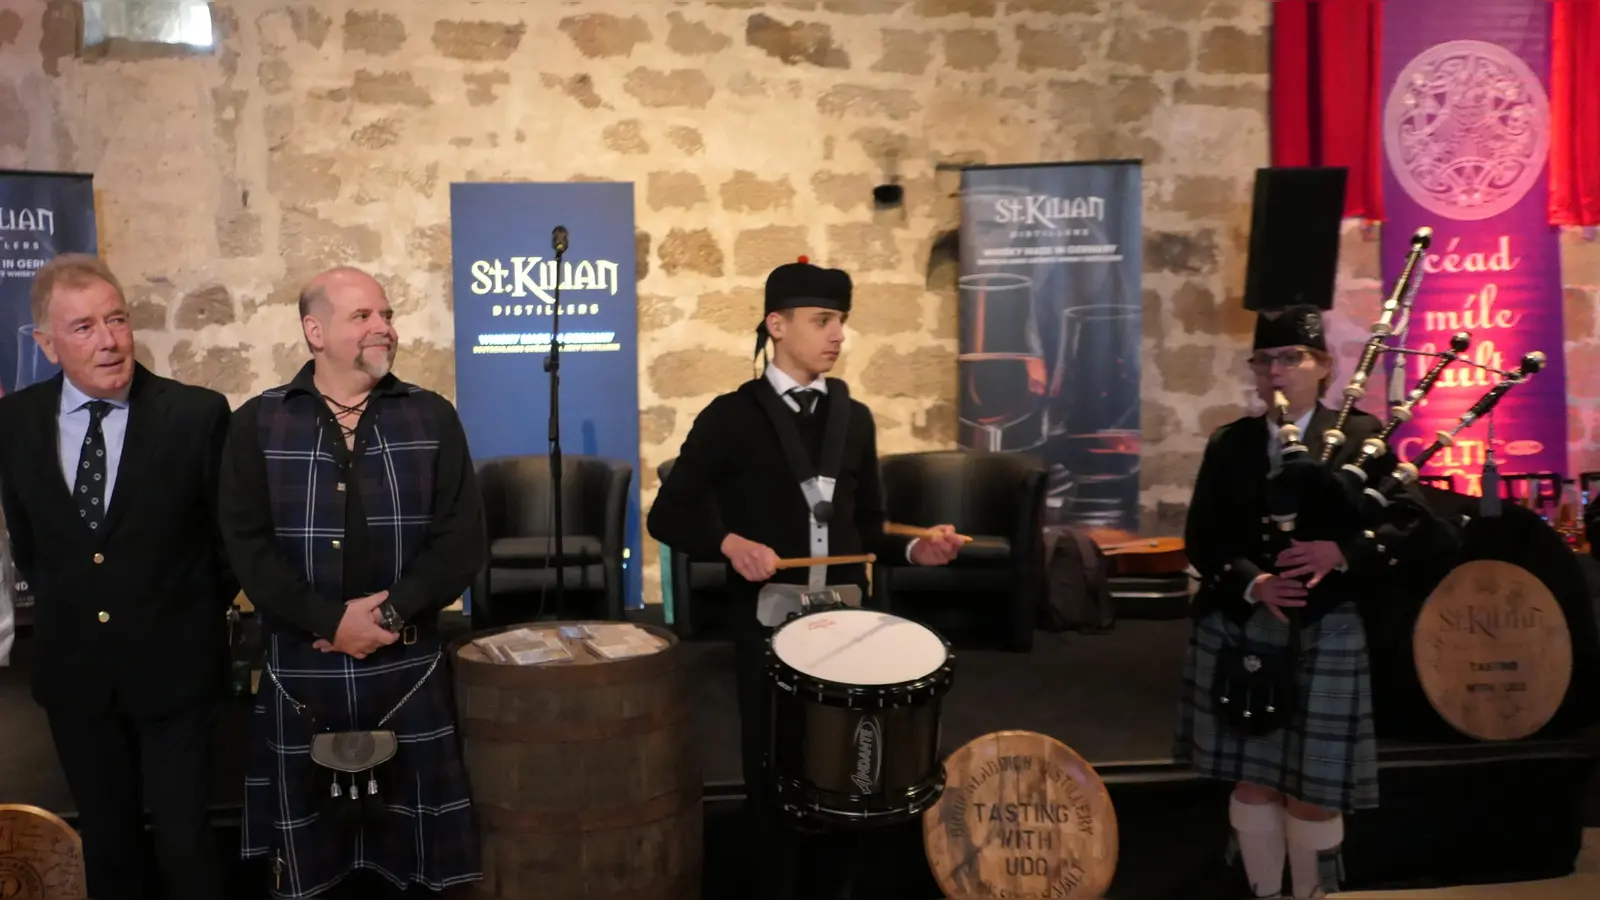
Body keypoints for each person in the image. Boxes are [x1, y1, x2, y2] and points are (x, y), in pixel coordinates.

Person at [646, 256, 965, 896]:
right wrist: (730, 543)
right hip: (765, 628)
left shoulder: (856, 419)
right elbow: (668, 513)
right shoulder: (730, 416)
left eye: (841, 321)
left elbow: (869, 528)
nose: (837, 335)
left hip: (849, 626)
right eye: (823, 320)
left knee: (853, 772)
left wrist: (913, 551)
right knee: (773, 771)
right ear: (777, 325)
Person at [218, 267, 485, 899]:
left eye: (386, 315)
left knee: (417, 869)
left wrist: (389, 615)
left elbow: (462, 541)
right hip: (303, 672)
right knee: (315, 868)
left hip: (409, 666)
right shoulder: (258, 423)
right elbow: (246, 549)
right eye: (362, 316)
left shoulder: (431, 416)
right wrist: (330, 620)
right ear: (314, 330)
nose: (383, 328)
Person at [1174, 305, 1447, 899]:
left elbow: (1414, 523)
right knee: (1252, 782)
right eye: (1265, 359)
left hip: (1327, 628)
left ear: (1323, 366)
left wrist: (1341, 553)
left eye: (1291, 357)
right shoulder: (1232, 443)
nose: (1276, 370)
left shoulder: (1363, 437)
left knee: (1314, 790)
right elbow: (1203, 536)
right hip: (1243, 624)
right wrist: (1255, 582)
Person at [0, 253, 235, 900]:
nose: (108, 341)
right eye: (82, 328)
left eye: (117, 319)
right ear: (47, 344)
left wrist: (182, 617)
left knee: (187, 845)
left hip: (177, 672)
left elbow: (228, 546)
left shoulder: (196, 415)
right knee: (108, 846)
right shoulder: (14, 424)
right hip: (75, 676)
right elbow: (32, 545)